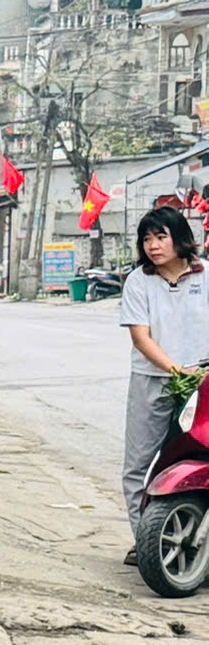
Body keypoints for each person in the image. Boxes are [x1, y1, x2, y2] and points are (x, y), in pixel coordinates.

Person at [121, 205, 209, 555]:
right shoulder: (138, 281)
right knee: (137, 466)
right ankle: (145, 541)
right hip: (152, 380)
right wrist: (176, 370)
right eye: (146, 239)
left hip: (202, 383)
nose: (153, 246)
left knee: (194, 458)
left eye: (161, 237)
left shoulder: (205, 276)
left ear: (180, 239)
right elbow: (141, 338)